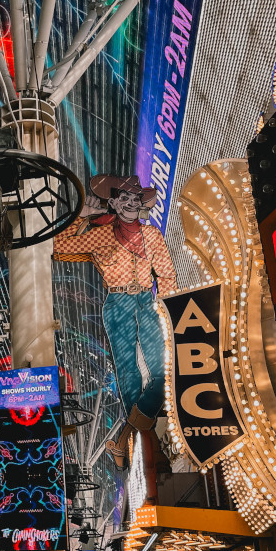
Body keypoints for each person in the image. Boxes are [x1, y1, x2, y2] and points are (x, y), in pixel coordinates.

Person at [53, 174, 176, 429]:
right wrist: (83, 214)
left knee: (164, 369)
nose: (131, 202)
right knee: (127, 369)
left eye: (136, 198)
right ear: (114, 203)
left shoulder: (152, 235)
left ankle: (137, 422)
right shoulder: (101, 235)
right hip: (117, 302)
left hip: (147, 300)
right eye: (124, 198)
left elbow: (166, 274)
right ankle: (137, 429)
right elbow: (57, 245)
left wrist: (168, 308)